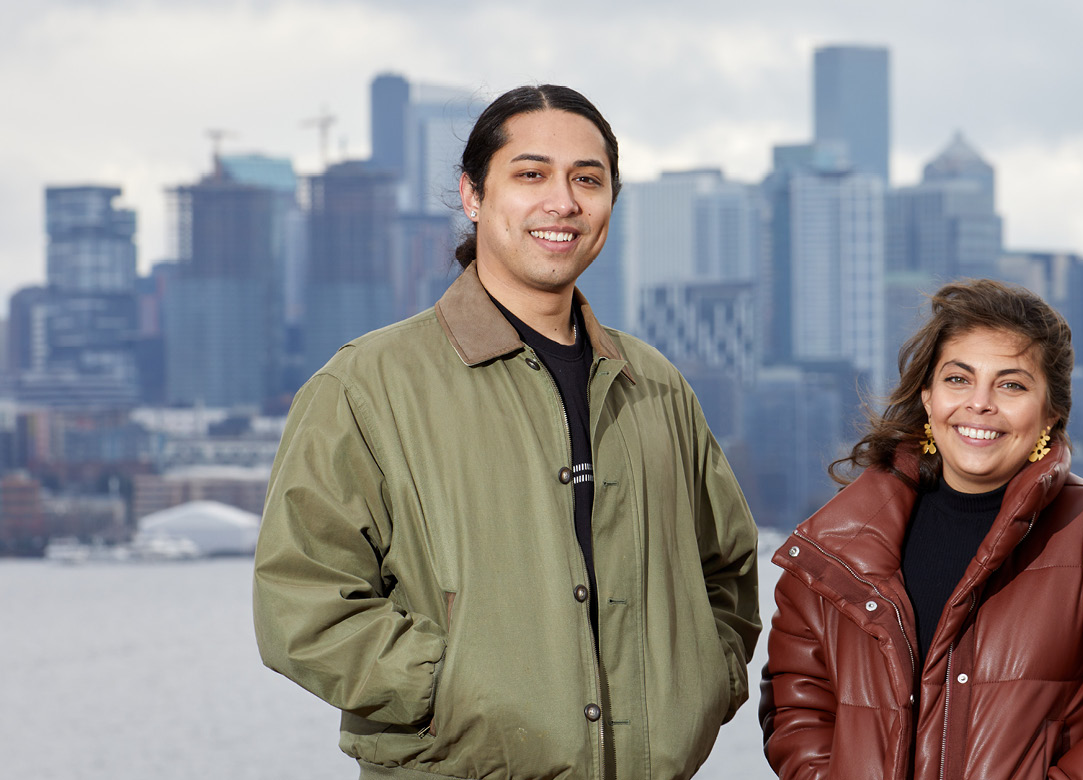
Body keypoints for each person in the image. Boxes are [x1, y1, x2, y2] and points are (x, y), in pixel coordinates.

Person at [253, 84, 760, 780]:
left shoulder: (656, 385)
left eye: (588, 179)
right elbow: (300, 599)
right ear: (472, 195)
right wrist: (450, 688)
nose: (563, 201)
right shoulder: (366, 386)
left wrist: (705, 680)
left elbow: (725, 572)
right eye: (530, 174)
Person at [759, 279, 1083, 779]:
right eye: (958, 379)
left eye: (1011, 384)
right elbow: (793, 704)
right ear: (927, 398)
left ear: (1049, 414)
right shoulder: (841, 539)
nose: (980, 403)